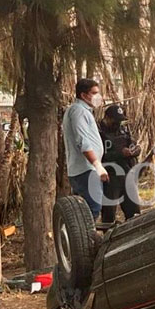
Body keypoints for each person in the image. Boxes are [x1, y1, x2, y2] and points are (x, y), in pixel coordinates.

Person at [61, 79, 107, 219]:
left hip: (86, 169)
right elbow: (83, 142)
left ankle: (85, 237)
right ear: (83, 95)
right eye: (94, 93)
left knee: (87, 209)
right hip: (85, 169)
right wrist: (97, 166)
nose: (98, 97)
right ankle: (86, 239)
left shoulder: (83, 111)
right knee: (92, 209)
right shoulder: (78, 111)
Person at [99, 104, 141, 224]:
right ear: (107, 118)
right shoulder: (99, 133)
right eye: (115, 120)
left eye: (120, 121)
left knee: (134, 212)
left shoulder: (123, 130)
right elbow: (100, 156)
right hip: (110, 176)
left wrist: (135, 150)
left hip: (126, 172)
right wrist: (119, 153)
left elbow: (131, 143)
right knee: (109, 214)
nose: (117, 123)